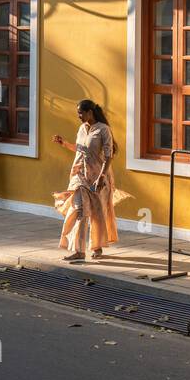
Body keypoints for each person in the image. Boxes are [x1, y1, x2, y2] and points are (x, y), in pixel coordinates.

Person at [52, 100, 121, 263]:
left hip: (98, 177)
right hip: (80, 177)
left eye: (81, 113)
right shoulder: (82, 129)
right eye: (78, 113)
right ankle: (78, 250)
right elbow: (80, 148)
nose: (78, 116)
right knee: (79, 211)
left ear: (90, 112)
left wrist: (101, 177)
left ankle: (97, 247)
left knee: (97, 214)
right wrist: (64, 143)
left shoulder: (104, 130)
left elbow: (109, 155)